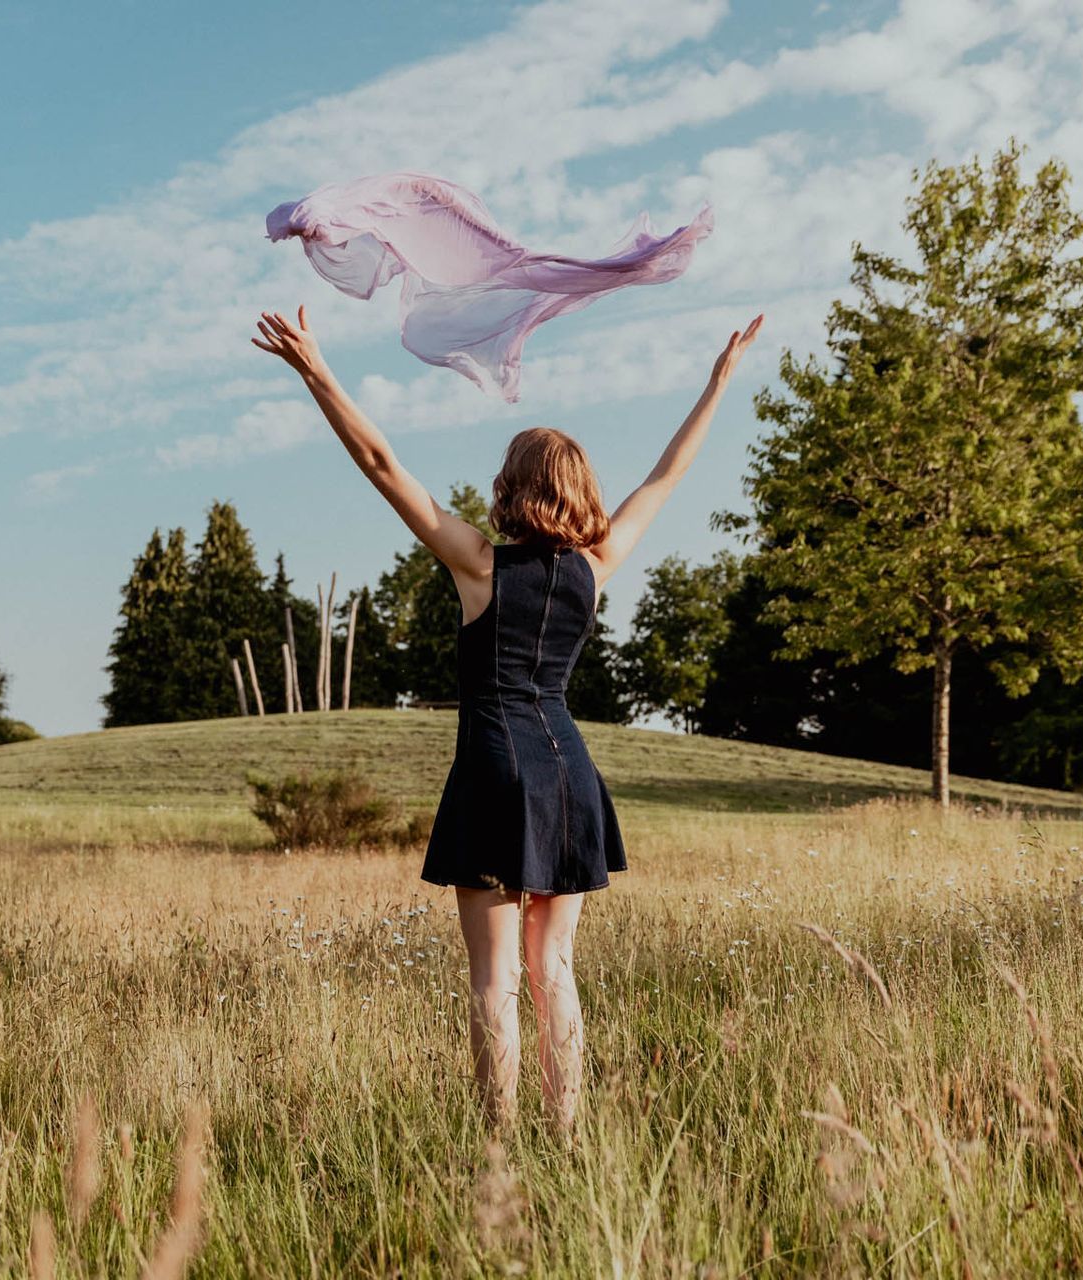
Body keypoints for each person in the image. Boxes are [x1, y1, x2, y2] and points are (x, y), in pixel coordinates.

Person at [251, 304, 764, 1134]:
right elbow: (664, 478)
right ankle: (564, 1136)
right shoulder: (598, 567)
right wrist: (717, 383)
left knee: (494, 980)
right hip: (570, 775)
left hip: (495, 770)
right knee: (552, 969)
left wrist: (316, 370)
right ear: (581, 491)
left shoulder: (480, 567)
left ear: (511, 488)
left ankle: (497, 1142)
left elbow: (384, 465)